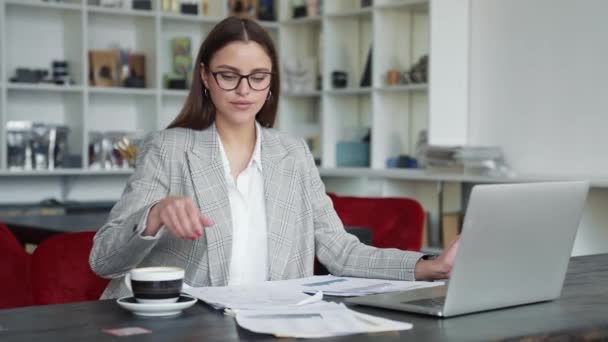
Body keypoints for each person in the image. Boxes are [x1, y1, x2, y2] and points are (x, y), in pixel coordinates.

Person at [89, 17, 459, 299]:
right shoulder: (169, 149)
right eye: (228, 76)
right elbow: (103, 261)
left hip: (271, 326)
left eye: (258, 77)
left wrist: (430, 266)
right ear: (204, 76)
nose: (244, 90)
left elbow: (342, 252)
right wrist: (153, 216)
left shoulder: (293, 153)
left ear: (271, 82)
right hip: (181, 329)